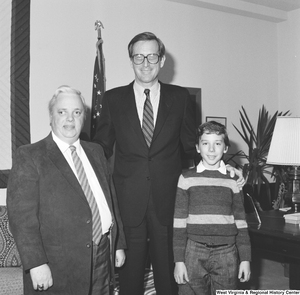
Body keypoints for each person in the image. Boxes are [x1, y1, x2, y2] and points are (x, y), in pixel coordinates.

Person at [93, 32, 244, 295]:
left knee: (170, 277)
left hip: (170, 202)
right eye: (138, 56)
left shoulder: (180, 97)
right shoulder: (113, 99)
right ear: (131, 60)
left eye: (152, 55)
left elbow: (191, 147)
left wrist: (223, 167)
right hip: (129, 203)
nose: (145, 62)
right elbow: (100, 148)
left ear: (161, 60)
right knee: (129, 279)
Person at [7, 86, 126, 295]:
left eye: (77, 113)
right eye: (62, 112)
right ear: (51, 116)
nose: (70, 119)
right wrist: (36, 263)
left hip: (102, 254)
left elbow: (111, 200)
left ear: (84, 117)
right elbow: (22, 218)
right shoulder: (30, 156)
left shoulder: (96, 152)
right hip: (58, 265)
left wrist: (118, 243)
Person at [173, 121, 251, 295]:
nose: (211, 149)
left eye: (217, 143)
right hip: (193, 250)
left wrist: (245, 258)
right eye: (205, 143)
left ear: (225, 148)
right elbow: (178, 223)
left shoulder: (233, 180)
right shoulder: (186, 178)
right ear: (197, 147)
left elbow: (241, 222)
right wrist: (179, 261)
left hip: (227, 252)